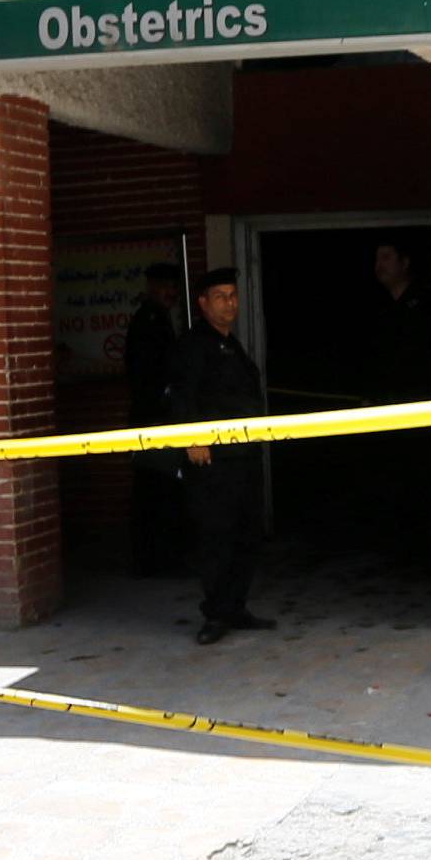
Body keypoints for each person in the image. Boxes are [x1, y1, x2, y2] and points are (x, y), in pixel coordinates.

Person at [167, 268, 275, 645]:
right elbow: (181, 395)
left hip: (242, 457)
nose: (229, 303)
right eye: (219, 296)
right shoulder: (195, 344)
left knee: (247, 534)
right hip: (213, 463)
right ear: (202, 303)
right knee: (216, 536)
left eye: (233, 295)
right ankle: (215, 614)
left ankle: (235, 607)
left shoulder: (231, 344)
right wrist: (191, 438)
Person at [365, 239, 431, 568]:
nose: (380, 264)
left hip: (424, 413)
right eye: (377, 258)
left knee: (427, 487)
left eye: (387, 257)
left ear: (405, 262)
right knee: (393, 485)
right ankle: (400, 557)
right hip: (388, 418)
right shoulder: (376, 309)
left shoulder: (428, 305)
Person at [125, 261, 185, 575]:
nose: (170, 293)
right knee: (155, 491)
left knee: (159, 490)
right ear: (150, 287)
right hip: (152, 420)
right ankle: (154, 561)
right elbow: (149, 376)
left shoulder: (158, 319)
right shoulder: (148, 321)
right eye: (164, 286)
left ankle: (156, 558)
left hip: (156, 418)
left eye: (173, 287)